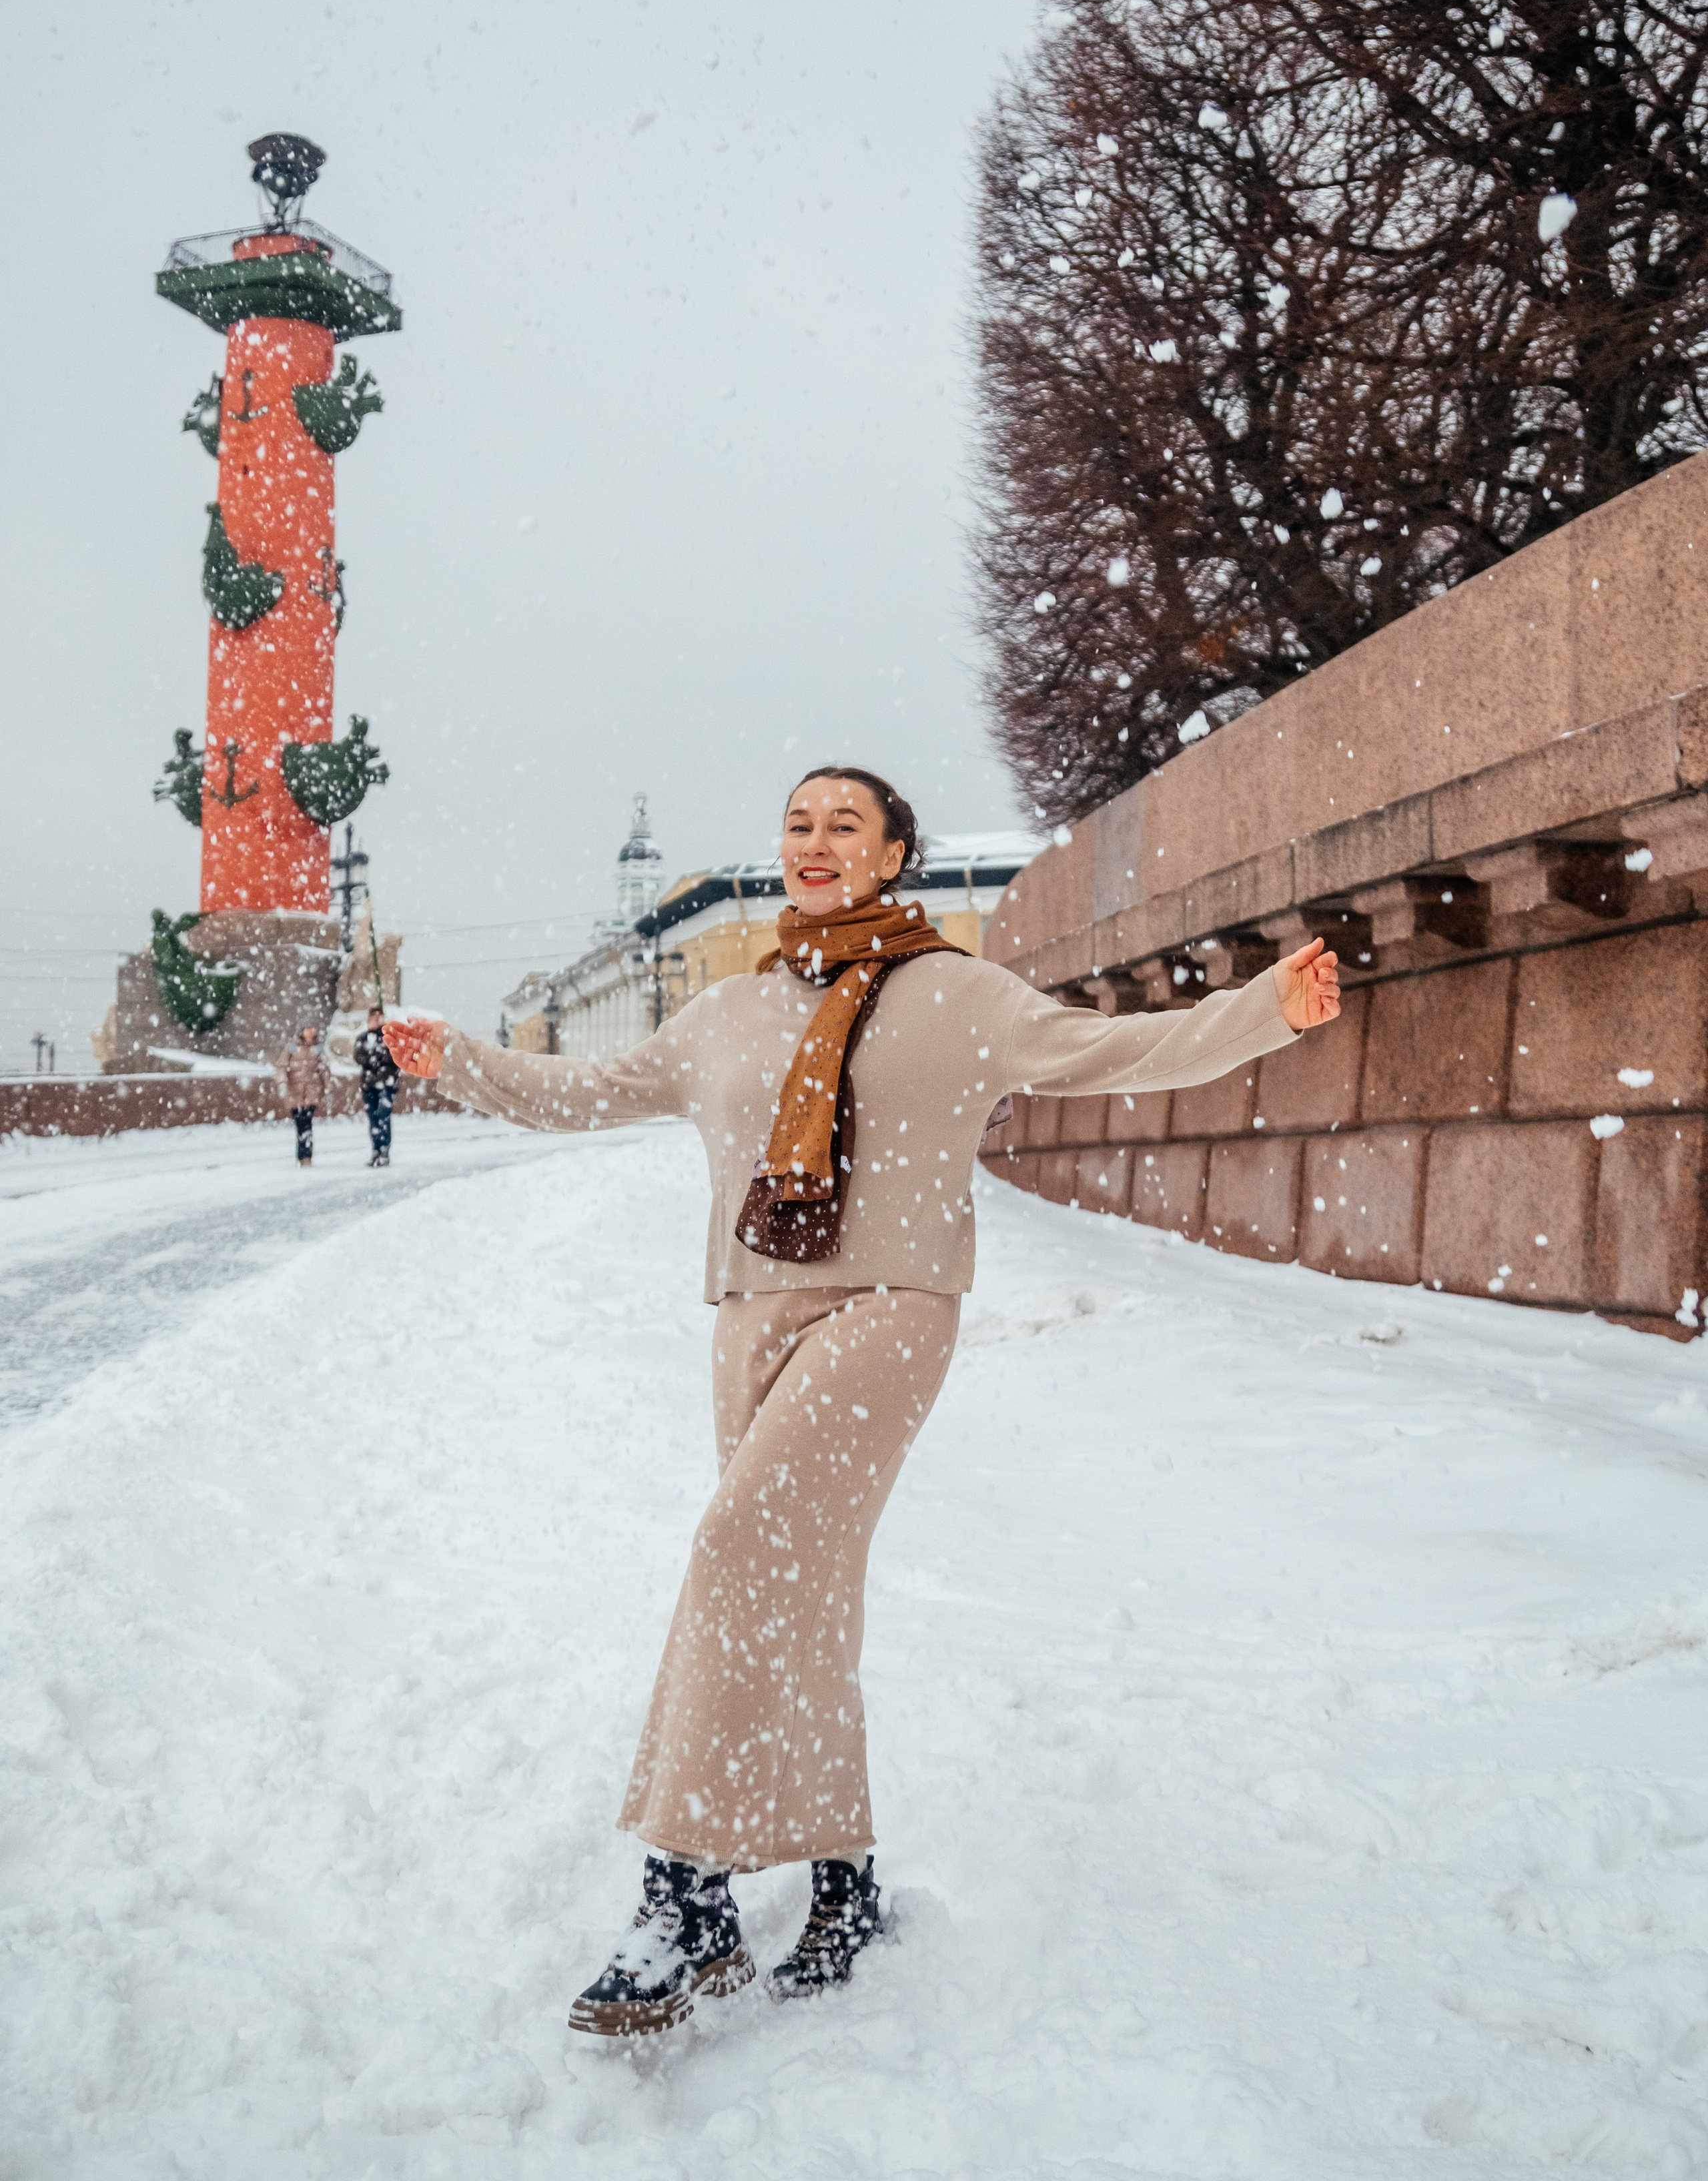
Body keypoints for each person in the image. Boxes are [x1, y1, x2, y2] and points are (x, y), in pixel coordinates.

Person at [382, 767, 1340, 2039]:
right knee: (799, 1594)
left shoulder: (958, 994)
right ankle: (844, 1884)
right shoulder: (726, 1012)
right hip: (749, 1318)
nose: (816, 842)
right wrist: (456, 1060)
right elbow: (583, 1097)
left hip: (890, 1308)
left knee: (734, 1550)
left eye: (846, 825)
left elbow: (1109, 1049)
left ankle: (684, 1899)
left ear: (894, 857)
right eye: (797, 823)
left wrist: (1263, 1012)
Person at [353, 1006, 399, 1168]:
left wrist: (377, 1057)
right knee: (373, 1118)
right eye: (374, 1015)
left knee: (383, 1115)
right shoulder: (363, 1038)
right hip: (369, 1084)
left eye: (380, 1015)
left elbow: (394, 1057)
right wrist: (373, 1058)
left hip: (387, 1084)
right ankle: (376, 1150)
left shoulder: (389, 1037)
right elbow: (359, 1056)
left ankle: (385, 1150)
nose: (377, 1018)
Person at [279, 1023, 330, 1168]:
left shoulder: (318, 1048)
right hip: (295, 1093)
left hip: (311, 1093)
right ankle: (302, 1155)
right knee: (300, 1124)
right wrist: (282, 1082)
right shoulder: (292, 1048)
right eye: (308, 1029)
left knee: (306, 1123)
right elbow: (282, 1066)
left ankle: (306, 1156)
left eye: (312, 1029)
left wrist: (327, 1086)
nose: (311, 1032)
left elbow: (324, 1068)